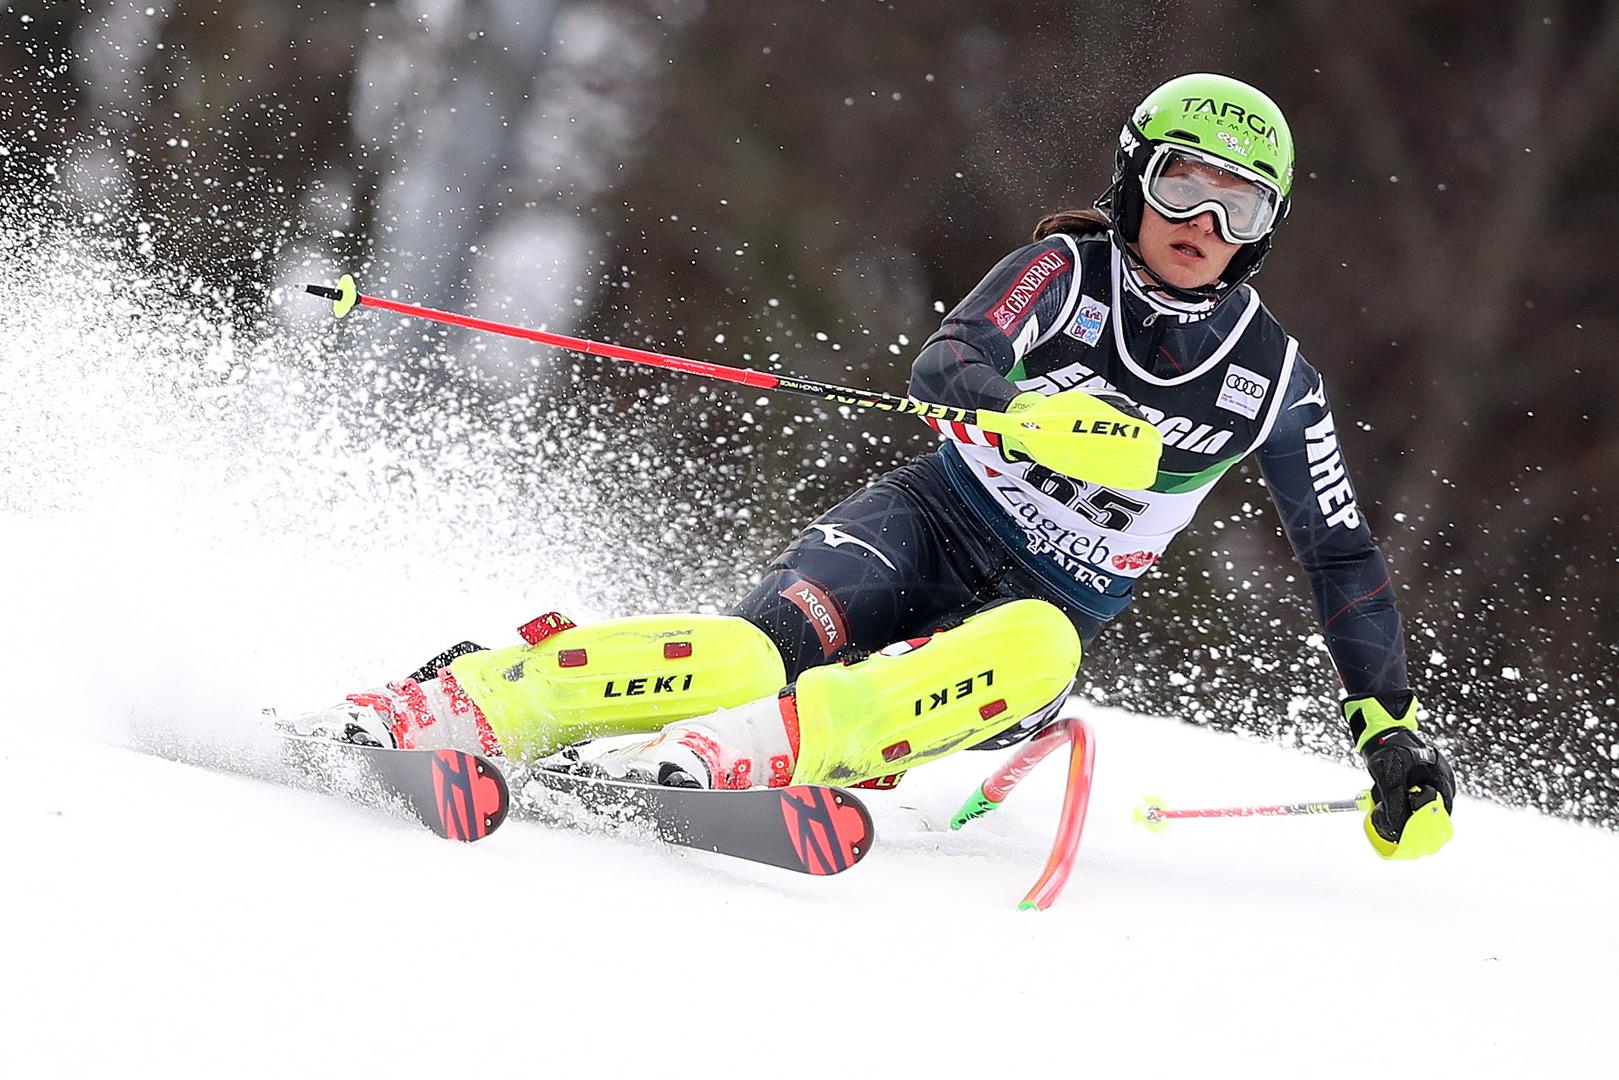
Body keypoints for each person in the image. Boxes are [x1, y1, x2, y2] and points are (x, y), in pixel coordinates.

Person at [290, 73, 1456, 859]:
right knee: (754, 650)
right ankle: (472, 702)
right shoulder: (1066, 271)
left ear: (1265, 227)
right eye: (1178, 182)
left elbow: (1337, 550)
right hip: (924, 524)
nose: (1200, 218)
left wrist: (1386, 726)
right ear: (1131, 180)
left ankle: (781, 748)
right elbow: (948, 360)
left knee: (1045, 646)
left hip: (1031, 617)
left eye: (1235, 200)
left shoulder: (1274, 378)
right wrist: (1027, 414)